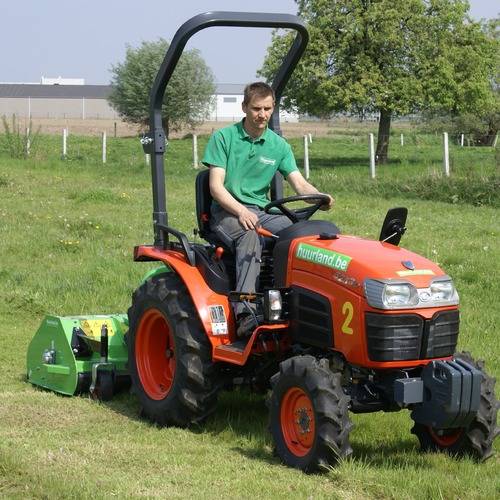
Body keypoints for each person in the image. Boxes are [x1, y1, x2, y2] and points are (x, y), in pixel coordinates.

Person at [202, 82, 333, 337]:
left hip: (263, 213)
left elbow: (299, 183)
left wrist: (319, 197)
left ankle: (297, 304)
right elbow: (216, 188)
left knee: (305, 236)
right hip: (226, 212)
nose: (262, 115)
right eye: (256, 108)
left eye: (267, 109)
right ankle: (245, 312)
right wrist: (241, 211)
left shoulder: (278, 145)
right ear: (244, 108)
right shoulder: (224, 138)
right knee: (251, 235)